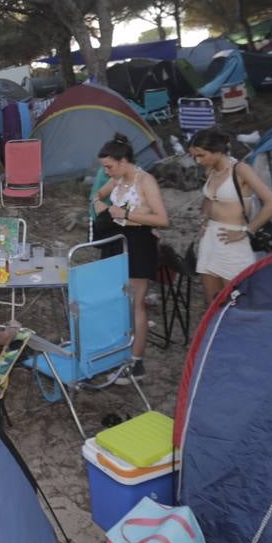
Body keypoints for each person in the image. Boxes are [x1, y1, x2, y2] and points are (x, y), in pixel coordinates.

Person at [90, 133, 169, 382]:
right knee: (117, 301)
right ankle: (119, 350)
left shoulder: (145, 181)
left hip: (138, 244)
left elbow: (163, 219)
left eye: (109, 166)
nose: (106, 171)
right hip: (116, 242)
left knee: (135, 304)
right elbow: (96, 197)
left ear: (123, 160)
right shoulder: (117, 179)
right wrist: (101, 207)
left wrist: (126, 214)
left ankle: (136, 363)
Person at [188, 129, 272, 308]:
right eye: (194, 156)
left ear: (217, 151)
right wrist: (204, 217)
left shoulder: (241, 170)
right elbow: (209, 198)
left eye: (201, 155)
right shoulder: (211, 170)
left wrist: (247, 231)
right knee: (213, 304)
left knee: (237, 303)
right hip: (210, 238)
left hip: (232, 240)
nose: (198, 161)